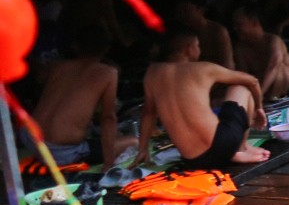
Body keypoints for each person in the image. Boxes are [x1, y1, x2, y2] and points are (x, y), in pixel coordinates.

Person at [135, 29, 269, 169]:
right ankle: (240, 149)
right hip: (223, 145)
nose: (199, 49)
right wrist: (259, 108)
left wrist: (143, 149)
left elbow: (148, 113)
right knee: (240, 87)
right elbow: (252, 81)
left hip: (193, 160)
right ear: (188, 49)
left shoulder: (152, 73)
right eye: (197, 45)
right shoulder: (203, 68)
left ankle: (235, 152)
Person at [23, 27, 121, 166]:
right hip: (59, 151)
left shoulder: (59, 66)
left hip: (29, 138)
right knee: (132, 142)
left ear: (75, 46)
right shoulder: (108, 73)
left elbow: (41, 80)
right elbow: (108, 118)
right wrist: (108, 162)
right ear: (106, 48)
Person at [230, 4, 289, 100]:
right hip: (263, 92)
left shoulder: (274, 40)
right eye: (234, 25)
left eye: (239, 24)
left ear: (254, 23)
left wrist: (259, 94)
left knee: (280, 69)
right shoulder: (240, 48)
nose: (235, 29)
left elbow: (274, 66)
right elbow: (244, 75)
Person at [170, 0, 232, 68]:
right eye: (179, 12)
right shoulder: (177, 30)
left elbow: (227, 64)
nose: (182, 15)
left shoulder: (217, 31)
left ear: (201, 10)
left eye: (186, 11)